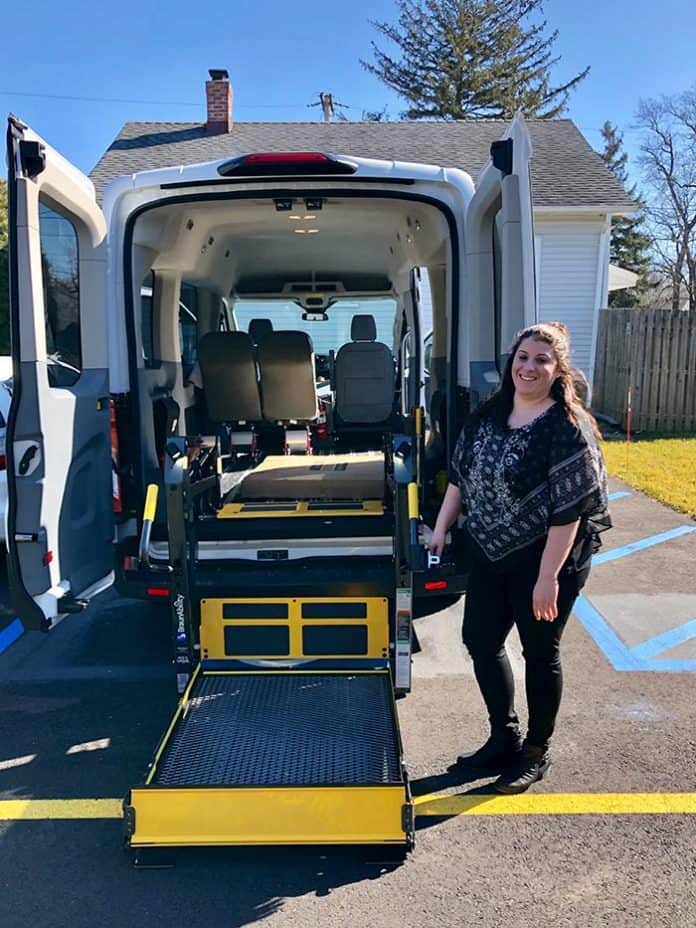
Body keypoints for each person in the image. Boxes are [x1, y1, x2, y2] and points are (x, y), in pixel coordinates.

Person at [429, 322, 611, 794]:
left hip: (549, 560)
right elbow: (460, 477)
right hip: (491, 551)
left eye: (541, 360)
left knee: (539, 652)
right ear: (512, 361)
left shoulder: (566, 428)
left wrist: (548, 578)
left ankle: (535, 752)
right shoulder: (489, 415)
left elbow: (570, 510)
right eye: (523, 357)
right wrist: (444, 526)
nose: (529, 367)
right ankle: (503, 737)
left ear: (558, 370)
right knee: (480, 639)